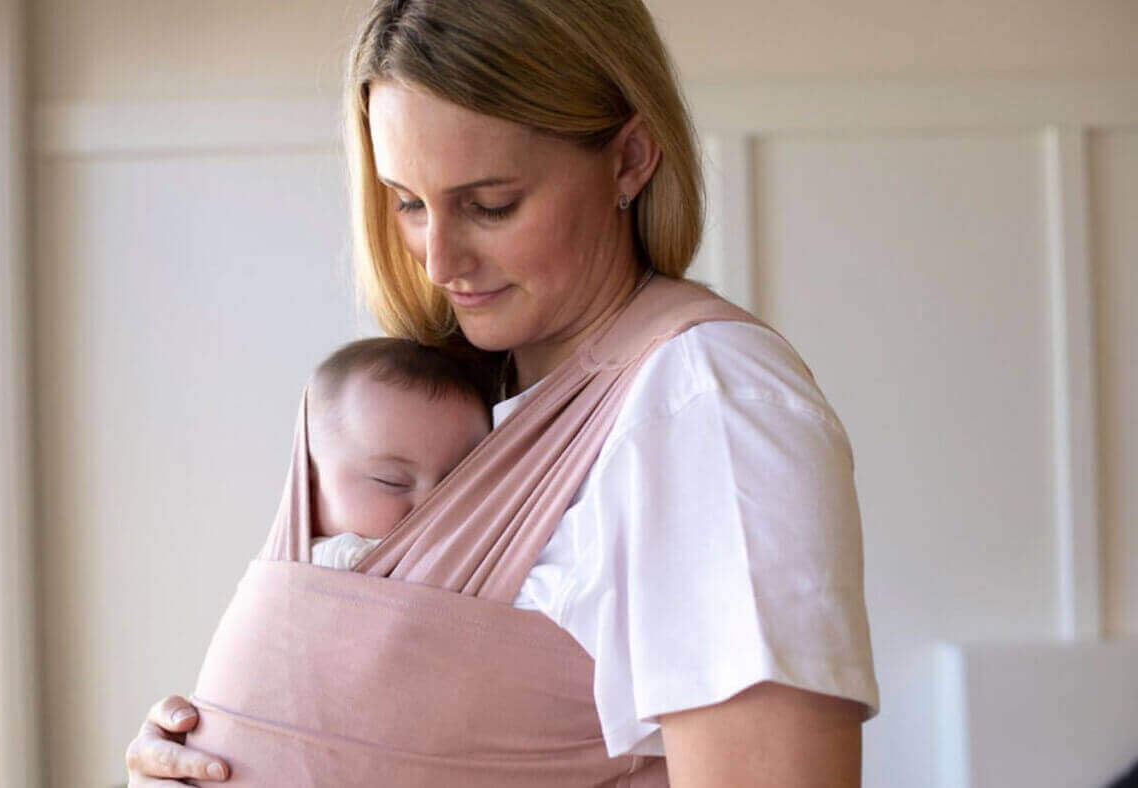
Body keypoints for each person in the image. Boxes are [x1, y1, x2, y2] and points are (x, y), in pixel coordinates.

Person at [125, 0, 880, 784]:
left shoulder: (709, 403)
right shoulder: (439, 398)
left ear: (630, 159)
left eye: (490, 205)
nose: (439, 259)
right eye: (409, 203)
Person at [303, 337, 492, 570]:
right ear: (308, 486)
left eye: (454, 486)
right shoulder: (332, 562)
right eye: (392, 481)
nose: (429, 507)